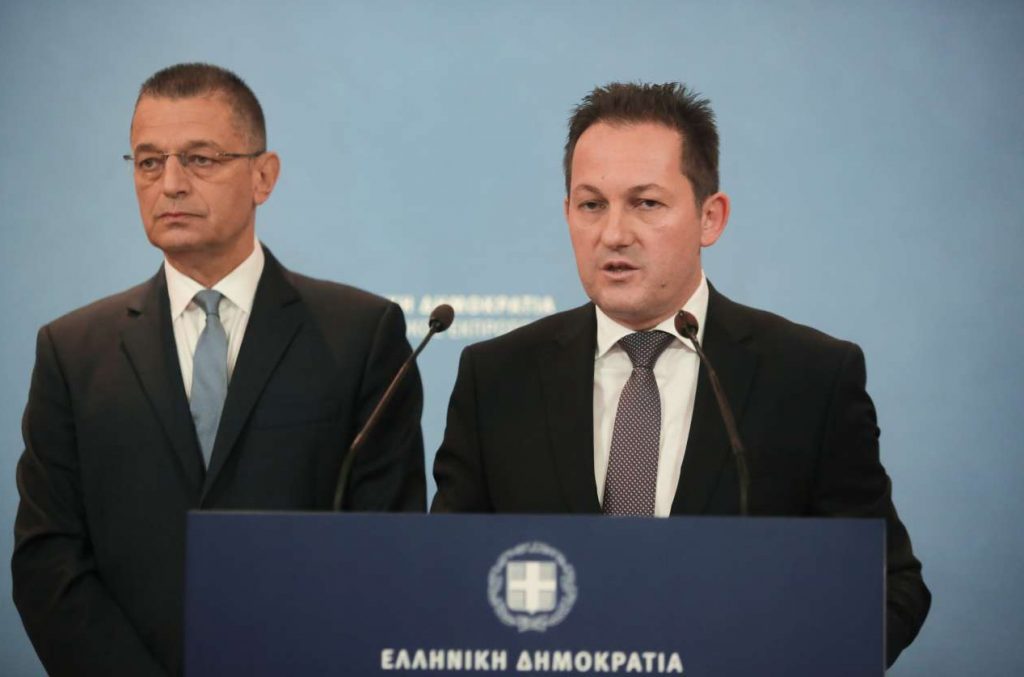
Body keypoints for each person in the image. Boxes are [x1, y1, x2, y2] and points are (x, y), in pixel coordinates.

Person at [431, 82, 929, 666]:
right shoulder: (497, 379)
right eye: (591, 205)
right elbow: (447, 578)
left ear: (709, 218)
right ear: (567, 214)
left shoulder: (809, 377)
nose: (614, 233)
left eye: (646, 203)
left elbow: (888, 584)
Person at [12, 63, 425, 676]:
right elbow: (48, 560)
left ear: (264, 176)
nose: (171, 184)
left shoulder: (360, 335)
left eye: (200, 159)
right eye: (149, 162)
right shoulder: (72, 352)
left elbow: (387, 548)